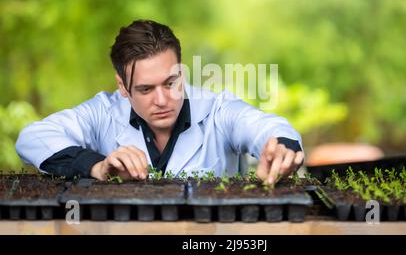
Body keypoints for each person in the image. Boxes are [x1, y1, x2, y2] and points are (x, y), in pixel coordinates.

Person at [15, 20, 304, 184]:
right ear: (123, 87)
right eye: (145, 89)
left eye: (170, 83)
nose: (163, 99)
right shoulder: (103, 112)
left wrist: (282, 146)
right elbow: (32, 137)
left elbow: (267, 127)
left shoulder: (217, 110)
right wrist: (97, 165)